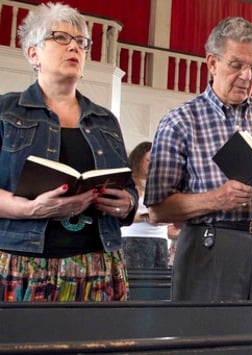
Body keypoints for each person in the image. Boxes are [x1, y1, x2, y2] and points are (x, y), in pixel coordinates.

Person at [144, 17, 252, 302]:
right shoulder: (180, 122)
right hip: (211, 247)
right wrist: (215, 199)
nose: (247, 76)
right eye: (237, 65)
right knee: (208, 341)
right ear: (212, 62)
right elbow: (158, 210)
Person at [0, 3, 137, 301]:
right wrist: (30, 209)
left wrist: (126, 204)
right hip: (23, 261)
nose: (74, 46)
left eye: (81, 42)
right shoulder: (6, 111)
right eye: (61, 37)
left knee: (97, 346)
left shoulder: (105, 120)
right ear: (33, 53)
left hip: (99, 261)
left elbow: (127, 188)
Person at [120, 142, 168, 269]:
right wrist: (145, 217)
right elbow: (122, 212)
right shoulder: (128, 183)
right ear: (138, 160)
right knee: (135, 282)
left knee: (159, 283)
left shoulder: (161, 184)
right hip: (134, 236)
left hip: (160, 238)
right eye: (149, 160)